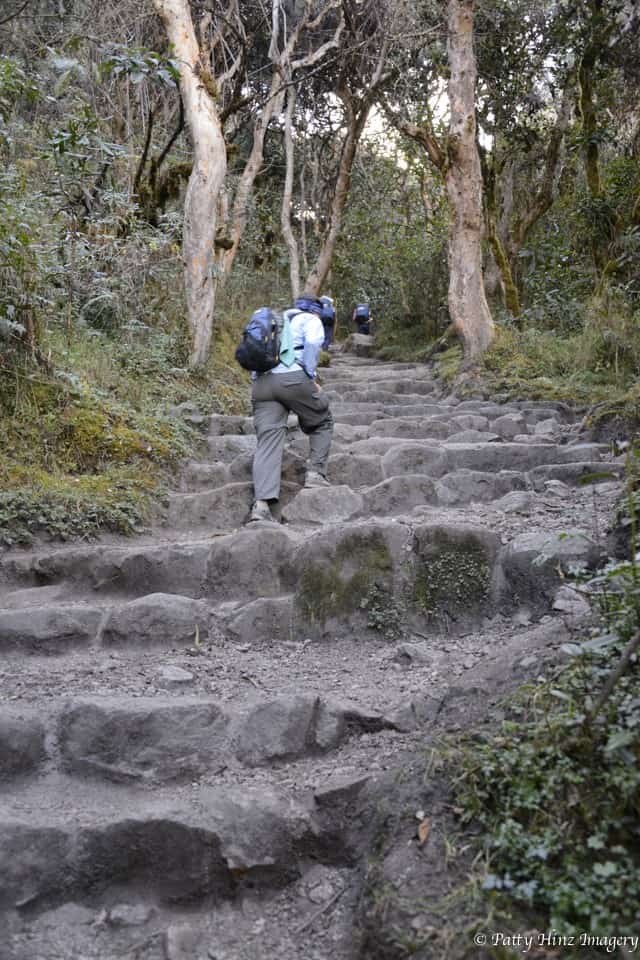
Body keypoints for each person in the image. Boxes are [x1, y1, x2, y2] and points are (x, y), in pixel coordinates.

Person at [249, 294, 334, 523]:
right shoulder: (310, 319)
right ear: (317, 309)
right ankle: (316, 473)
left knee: (268, 440)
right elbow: (314, 343)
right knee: (322, 419)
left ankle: (261, 506)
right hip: (293, 377)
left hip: (262, 384)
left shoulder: (276, 319)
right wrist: (310, 373)